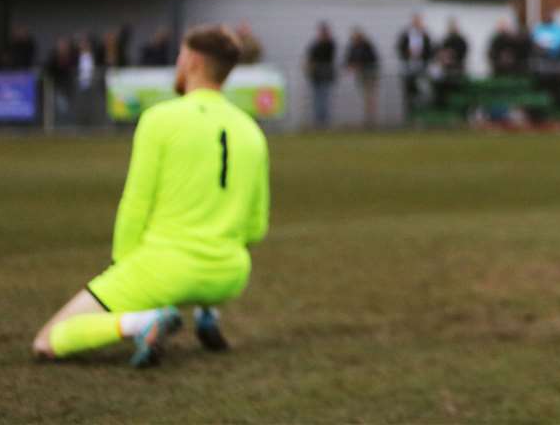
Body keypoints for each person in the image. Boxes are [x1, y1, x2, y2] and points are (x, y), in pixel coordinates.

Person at [31, 24, 269, 367]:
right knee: (204, 234)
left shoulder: (160, 119)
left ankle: (142, 322)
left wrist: (124, 270)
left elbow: (135, 204)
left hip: (165, 271)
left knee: (48, 340)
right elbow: (256, 228)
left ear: (192, 61)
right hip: (229, 276)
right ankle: (206, 313)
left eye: (180, 56)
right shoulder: (252, 132)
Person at [303, 22, 338, 130]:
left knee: (324, 99)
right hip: (316, 77)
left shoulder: (330, 44)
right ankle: (318, 121)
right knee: (317, 99)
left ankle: (324, 122)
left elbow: (327, 55)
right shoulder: (315, 44)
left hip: (325, 76)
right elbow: (310, 56)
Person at [344, 26, 381, 128]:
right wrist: (350, 66)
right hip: (361, 77)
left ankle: (371, 121)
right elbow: (348, 60)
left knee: (370, 99)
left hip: (370, 76)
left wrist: (359, 65)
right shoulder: (353, 47)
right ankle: (367, 120)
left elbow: (372, 59)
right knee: (366, 99)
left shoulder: (367, 46)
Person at [396, 15, 434, 114]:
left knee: (423, 89)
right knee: (408, 91)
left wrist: (422, 54)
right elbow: (400, 49)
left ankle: (423, 112)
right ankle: (409, 113)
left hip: (422, 67)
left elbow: (430, 51)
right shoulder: (405, 35)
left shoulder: (425, 36)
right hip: (408, 67)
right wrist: (407, 53)